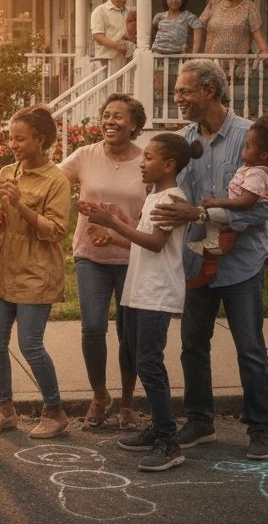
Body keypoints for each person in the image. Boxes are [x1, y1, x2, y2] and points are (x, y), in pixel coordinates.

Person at [152, 58, 268, 461]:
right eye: (177, 91)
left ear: (209, 91)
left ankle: (259, 428)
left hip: (242, 262)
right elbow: (176, 197)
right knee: (193, 344)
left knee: (249, 346)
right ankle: (200, 421)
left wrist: (206, 214)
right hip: (197, 260)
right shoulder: (183, 140)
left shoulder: (251, 136)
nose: (177, 98)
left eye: (184, 91)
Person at [81, 134, 198, 472]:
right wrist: (114, 233)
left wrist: (113, 223)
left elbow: (157, 244)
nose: (141, 163)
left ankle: (168, 441)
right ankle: (157, 430)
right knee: (136, 356)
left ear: (169, 164)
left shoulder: (171, 199)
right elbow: (142, 240)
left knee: (149, 364)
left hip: (155, 294)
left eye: (148, 158)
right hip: (138, 291)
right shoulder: (154, 196)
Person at [0, 106, 71, 439]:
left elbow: (56, 232)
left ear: (40, 140)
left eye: (20, 138)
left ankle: (55, 411)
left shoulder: (56, 180)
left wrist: (19, 204)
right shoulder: (5, 173)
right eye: (10, 138)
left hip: (37, 272)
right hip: (3, 269)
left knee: (30, 345)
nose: (13, 144)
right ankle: (4, 410)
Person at [59, 94, 146, 430]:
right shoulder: (85, 155)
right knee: (93, 327)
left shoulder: (145, 160)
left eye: (119, 116)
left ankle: (126, 402)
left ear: (134, 124)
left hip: (131, 256)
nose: (110, 121)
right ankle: (99, 396)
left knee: (130, 333)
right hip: (90, 256)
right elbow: (52, 182)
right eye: (106, 115)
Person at [188, 113, 268, 288]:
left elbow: (252, 203)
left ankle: (207, 247)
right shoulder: (184, 138)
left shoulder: (257, 173)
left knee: (211, 219)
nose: (243, 151)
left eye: (247, 147)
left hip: (242, 265)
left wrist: (211, 206)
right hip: (201, 260)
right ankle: (206, 264)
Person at [194, 0, 268, 62]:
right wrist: (195, 53)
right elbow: (199, 25)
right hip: (212, 64)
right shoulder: (215, 1)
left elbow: (256, 32)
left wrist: (264, 50)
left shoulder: (249, 6)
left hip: (236, 65)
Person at [90, 0, 132, 75]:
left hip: (126, 59)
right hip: (107, 60)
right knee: (109, 89)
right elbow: (98, 36)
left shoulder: (129, 11)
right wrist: (117, 46)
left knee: (124, 89)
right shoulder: (100, 11)